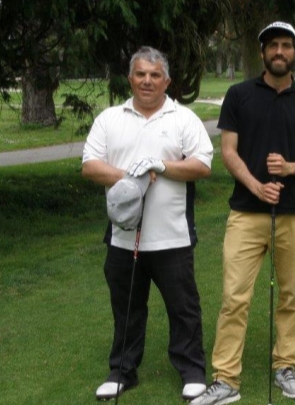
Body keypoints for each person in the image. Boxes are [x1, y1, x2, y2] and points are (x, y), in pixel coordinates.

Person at [193, 21, 295, 405]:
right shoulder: (238, 95)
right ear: (263, 52)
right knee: (235, 296)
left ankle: (285, 365)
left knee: (290, 294)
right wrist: (257, 186)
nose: (279, 52)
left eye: (286, 46)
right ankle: (226, 379)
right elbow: (229, 152)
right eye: (273, 46)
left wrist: (290, 168)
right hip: (247, 213)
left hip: (294, 214)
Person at [82, 46, 214, 401]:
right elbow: (90, 165)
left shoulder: (183, 119)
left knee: (183, 308)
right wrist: (130, 174)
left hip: (173, 237)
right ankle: (123, 371)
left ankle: (191, 370)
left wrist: (160, 165)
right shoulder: (110, 118)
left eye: (155, 75)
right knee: (127, 308)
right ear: (130, 78)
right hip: (123, 238)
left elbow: (202, 165)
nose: (147, 81)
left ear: (166, 81)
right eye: (140, 74)